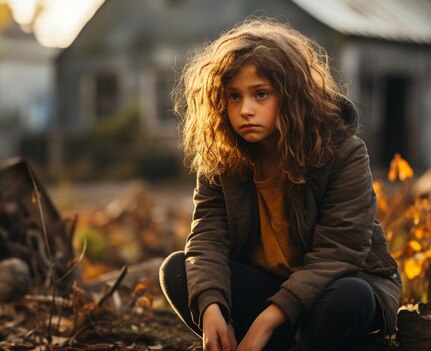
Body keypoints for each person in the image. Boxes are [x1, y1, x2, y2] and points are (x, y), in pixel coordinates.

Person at [159, 18, 401, 351]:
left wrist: (263, 323)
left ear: (292, 95)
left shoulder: (342, 152)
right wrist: (211, 307)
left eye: (261, 94)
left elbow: (339, 252)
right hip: (271, 286)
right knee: (179, 271)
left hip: (333, 286)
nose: (245, 110)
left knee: (350, 297)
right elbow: (207, 238)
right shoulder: (223, 157)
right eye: (233, 96)